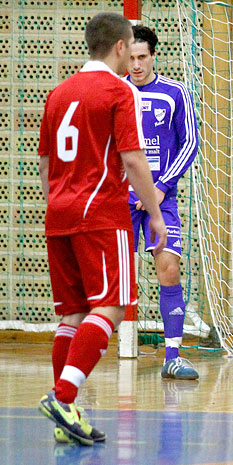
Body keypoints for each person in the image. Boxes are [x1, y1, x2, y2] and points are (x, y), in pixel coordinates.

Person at [37, 12, 167, 445]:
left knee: (72, 314)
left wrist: (58, 203)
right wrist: (155, 212)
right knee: (111, 307)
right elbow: (132, 159)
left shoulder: (58, 94)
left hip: (59, 214)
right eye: (130, 47)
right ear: (119, 47)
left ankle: (64, 417)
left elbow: (45, 165)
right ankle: (64, 395)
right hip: (101, 215)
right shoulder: (118, 90)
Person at [126, 25, 200, 380]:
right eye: (132, 57)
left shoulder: (175, 93)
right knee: (112, 277)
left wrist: (160, 186)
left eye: (143, 57)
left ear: (153, 55)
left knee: (169, 267)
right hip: (121, 198)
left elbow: (190, 143)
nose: (137, 65)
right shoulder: (115, 90)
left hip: (161, 198)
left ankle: (172, 355)